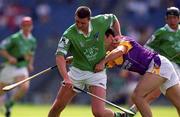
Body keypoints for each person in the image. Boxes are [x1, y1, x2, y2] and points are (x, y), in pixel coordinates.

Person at [48, 6, 132, 117]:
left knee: (99, 113)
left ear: (89, 19)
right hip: (76, 73)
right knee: (56, 108)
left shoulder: (100, 21)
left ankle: (120, 116)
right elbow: (59, 56)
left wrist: (118, 35)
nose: (79, 25)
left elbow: (113, 18)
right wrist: (66, 78)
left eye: (82, 23)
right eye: (77, 21)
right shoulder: (68, 34)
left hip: (96, 74)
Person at [95, 28, 180, 117]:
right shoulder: (109, 56)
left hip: (158, 64)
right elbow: (95, 68)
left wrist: (102, 62)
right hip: (161, 67)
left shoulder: (123, 40)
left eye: (102, 39)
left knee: (137, 96)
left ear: (111, 37)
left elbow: (120, 51)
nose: (100, 42)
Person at [0, 16, 37, 117]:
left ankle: (9, 104)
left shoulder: (32, 40)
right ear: (21, 26)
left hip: (21, 67)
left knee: (25, 87)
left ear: (31, 26)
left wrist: (30, 64)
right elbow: (2, 48)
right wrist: (10, 57)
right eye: (25, 25)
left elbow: (31, 54)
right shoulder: (14, 38)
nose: (27, 28)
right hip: (10, 67)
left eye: (29, 25)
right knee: (1, 90)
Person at [146, 6, 180, 78]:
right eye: (170, 18)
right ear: (166, 19)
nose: (172, 20)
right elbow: (147, 47)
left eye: (174, 17)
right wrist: (156, 58)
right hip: (169, 65)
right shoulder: (161, 32)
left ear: (179, 19)